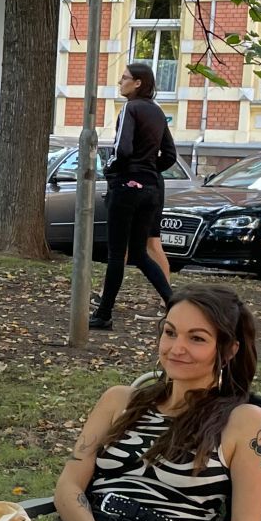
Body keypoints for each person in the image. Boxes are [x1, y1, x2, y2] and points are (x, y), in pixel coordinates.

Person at [54, 285, 261, 521]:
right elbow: (68, 486)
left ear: (229, 349)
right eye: (170, 333)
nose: (176, 348)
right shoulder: (119, 400)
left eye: (196, 338)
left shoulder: (245, 422)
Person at [88, 61, 176, 331]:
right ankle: (174, 304)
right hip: (150, 189)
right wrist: (148, 171)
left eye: (125, 78)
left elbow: (122, 149)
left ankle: (103, 314)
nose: (120, 83)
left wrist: (112, 170)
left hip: (127, 187)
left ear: (138, 83)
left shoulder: (130, 108)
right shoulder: (158, 113)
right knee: (139, 252)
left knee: (117, 254)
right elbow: (170, 156)